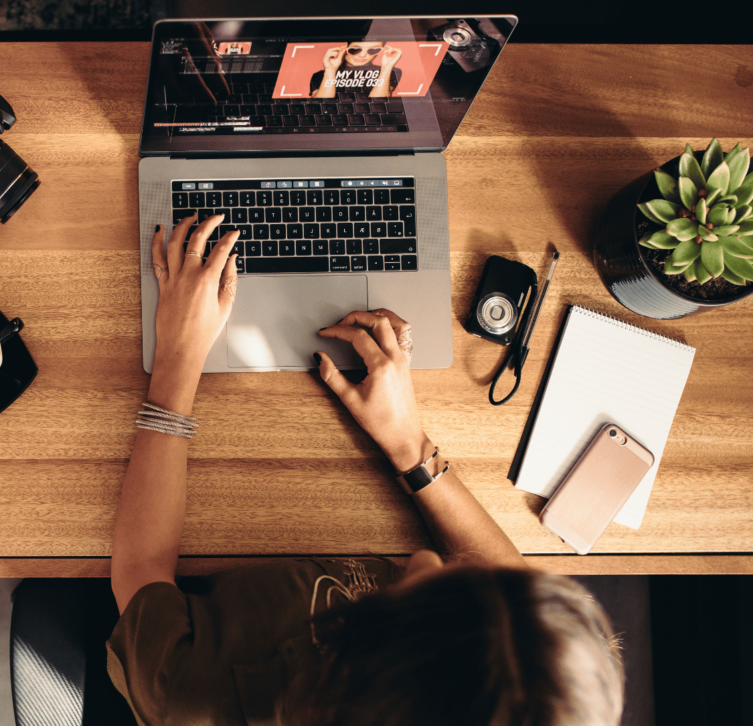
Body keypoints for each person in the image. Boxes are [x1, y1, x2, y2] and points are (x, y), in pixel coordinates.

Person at [108, 215, 624, 726]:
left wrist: (178, 354)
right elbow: (512, 588)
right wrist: (411, 448)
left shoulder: (191, 693)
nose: (424, 559)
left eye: (417, 596)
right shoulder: (558, 691)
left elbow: (141, 566)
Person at [310, 41, 403, 99]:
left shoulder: (391, 72)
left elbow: (379, 104)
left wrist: (386, 68)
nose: (362, 55)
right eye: (355, 49)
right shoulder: (322, 75)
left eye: (373, 50)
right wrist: (330, 70)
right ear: (345, 47)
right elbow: (321, 106)